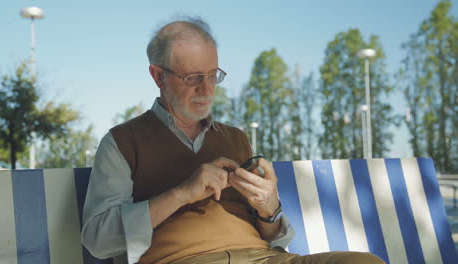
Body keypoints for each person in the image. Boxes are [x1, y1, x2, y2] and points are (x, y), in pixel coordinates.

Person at [81, 16, 385, 264]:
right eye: (192, 77)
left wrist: (269, 207)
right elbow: (97, 239)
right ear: (158, 76)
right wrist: (183, 193)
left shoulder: (236, 139)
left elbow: (272, 236)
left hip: (263, 258)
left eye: (213, 75)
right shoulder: (122, 142)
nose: (206, 88)